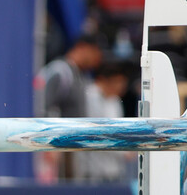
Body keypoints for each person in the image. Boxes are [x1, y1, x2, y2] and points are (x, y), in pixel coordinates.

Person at [35, 37, 134, 183]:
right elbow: (44, 106)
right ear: (83, 48)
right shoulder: (60, 71)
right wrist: (48, 143)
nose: (97, 59)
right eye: (95, 53)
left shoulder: (79, 75)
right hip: (60, 145)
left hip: (74, 149)